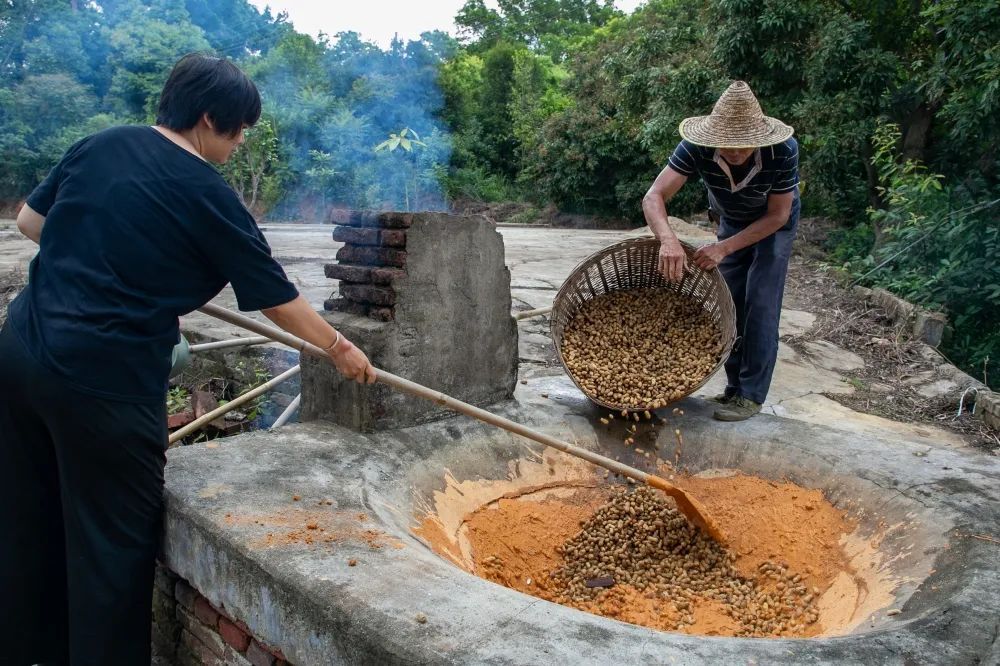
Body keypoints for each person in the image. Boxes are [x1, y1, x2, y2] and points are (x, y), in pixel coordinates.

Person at [0, 53, 376, 665]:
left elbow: (29, 222)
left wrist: (104, 260)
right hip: (100, 386)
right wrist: (339, 346)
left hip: (19, 354)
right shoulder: (208, 193)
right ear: (208, 118)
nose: (242, 140)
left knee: (26, 518)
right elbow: (278, 300)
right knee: (109, 548)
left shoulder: (101, 143)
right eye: (239, 127)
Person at [642, 80, 799, 422]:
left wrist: (724, 248)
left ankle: (750, 395)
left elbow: (779, 214)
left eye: (743, 147)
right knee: (728, 301)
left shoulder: (783, 150)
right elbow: (654, 196)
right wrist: (668, 240)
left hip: (773, 225)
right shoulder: (694, 148)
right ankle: (732, 387)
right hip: (731, 217)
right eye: (727, 147)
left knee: (761, 302)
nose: (736, 154)